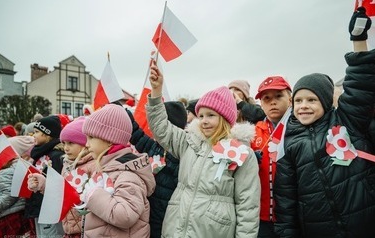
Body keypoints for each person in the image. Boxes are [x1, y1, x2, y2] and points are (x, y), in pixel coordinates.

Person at [274, 7, 375, 237]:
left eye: (311, 99)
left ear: (326, 101)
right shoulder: (289, 144)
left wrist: (358, 39)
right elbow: (286, 202)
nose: (303, 105)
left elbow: (360, 83)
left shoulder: (347, 120)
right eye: (298, 100)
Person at [146, 61, 261, 238]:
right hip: (176, 228)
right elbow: (161, 128)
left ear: (225, 118)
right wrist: (156, 92)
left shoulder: (242, 153)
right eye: (200, 116)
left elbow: (248, 206)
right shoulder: (188, 142)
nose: (204, 120)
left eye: (211, 115)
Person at [79, 104, 155, 237]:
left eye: (91, 137)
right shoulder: (109, 168)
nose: (86, 144)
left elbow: (125, 215)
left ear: (109, 140)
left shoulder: (127, 175)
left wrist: (94, 196)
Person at [126, 101, 187, 238]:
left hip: (168, 216)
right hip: (151, 212)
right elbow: (137, 136)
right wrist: (126, 115)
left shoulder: (182, 154)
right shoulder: (155, 147)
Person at [28, 117, 95, 238]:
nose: (66, 148)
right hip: (69, 227)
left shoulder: (93, 165)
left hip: (87, 229)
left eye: (71, 143)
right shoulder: (67, 163)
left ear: (84, 143)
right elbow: (61, 192)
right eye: (64, 143)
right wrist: (44, 185)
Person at [250, 76, 292, 238]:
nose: (272, 102)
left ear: (290, 99)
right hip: (262, 216)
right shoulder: (252, 133)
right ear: (261, 103)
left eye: (278, 96)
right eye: (266, 98)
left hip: (294, 215)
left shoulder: (301, 127)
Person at [24, 115, 66, 237]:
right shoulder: (39, 154)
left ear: (47, 134)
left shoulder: (56, 156)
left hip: (49, 210)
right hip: (38, 208)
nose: (33, 135)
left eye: (37, 132)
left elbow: (57, 186)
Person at [0, 136, 36, 237]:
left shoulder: (5, 172)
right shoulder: (18, 166)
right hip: (17, 213)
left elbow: (10, 194)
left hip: (11, 215)